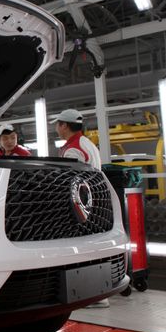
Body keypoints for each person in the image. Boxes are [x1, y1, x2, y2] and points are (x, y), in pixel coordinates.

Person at [55, 109, 108, 308]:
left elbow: (71, 181)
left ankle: (93, 295)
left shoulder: (73, 149)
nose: (57, 128)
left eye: (58, 124)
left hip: (82, 204)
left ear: (64, 126)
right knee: (92, 245)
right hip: (93, 201)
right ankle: (97, 294)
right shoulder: (86, 143)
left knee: (82, 247)